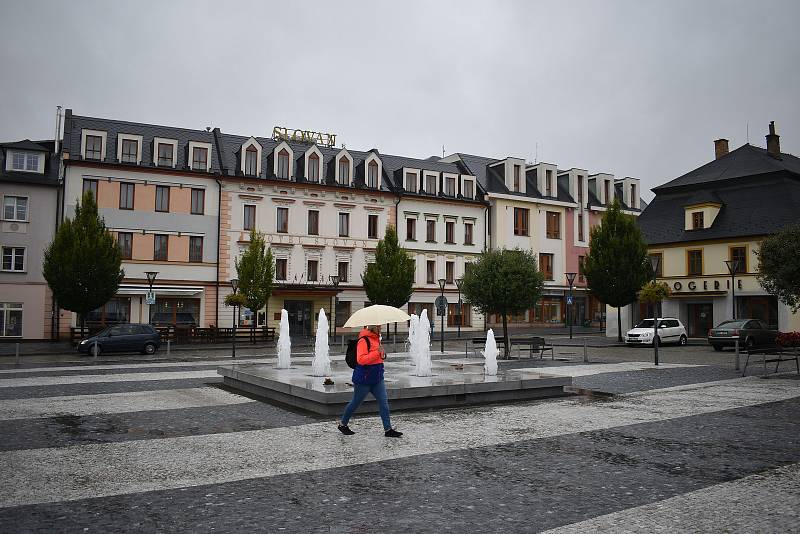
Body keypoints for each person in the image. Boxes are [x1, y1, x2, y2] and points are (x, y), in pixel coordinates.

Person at [338, 325, 403, 438]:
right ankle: (343, 424)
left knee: (384, 403)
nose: (381, 328)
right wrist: (377, 353)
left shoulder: (376, 339)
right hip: (364, 379)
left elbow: (380, 357)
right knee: (356, 402)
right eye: (379, 327)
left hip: (377, 378)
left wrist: (383, 354)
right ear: (373, 328)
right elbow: (361, 360)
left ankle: (388, 429)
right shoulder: (363, 341)